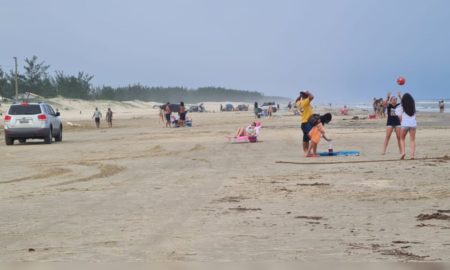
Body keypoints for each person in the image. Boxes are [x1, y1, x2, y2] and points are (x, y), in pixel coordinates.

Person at [395, 92, 417, 160]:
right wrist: (400, 96)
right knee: (412, 140)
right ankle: (412, 155)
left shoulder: (402, 107)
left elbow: (399, 115)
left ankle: (403, 152)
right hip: (413, 124)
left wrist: (399, 96)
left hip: (405, 124)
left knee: (402, 139)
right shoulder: (413, 107)